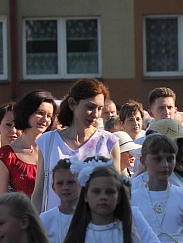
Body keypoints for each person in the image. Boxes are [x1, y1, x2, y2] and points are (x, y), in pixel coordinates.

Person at [38, 78, 121, 212]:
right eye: (90, 107)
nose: (95, 114)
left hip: (94, 225)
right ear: (72, 104)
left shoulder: (108, 141)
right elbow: (40, 191)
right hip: (56, 224)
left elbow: (116, 191)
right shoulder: (48, 140)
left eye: (99, 109)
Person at [0, 90, 55, 202]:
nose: (45, 119)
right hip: (23, 216)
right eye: (40, 113)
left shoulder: (55, 147)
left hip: (53, 216)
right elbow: (1, 200)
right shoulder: (8, 154)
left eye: (49, 116)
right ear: (27, 112)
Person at [40, 160, 81, 243]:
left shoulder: (91, 217)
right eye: (60, 183)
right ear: (53, 187)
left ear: (81, 184)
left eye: (71, 182)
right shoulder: (45, 219)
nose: (65, 187)